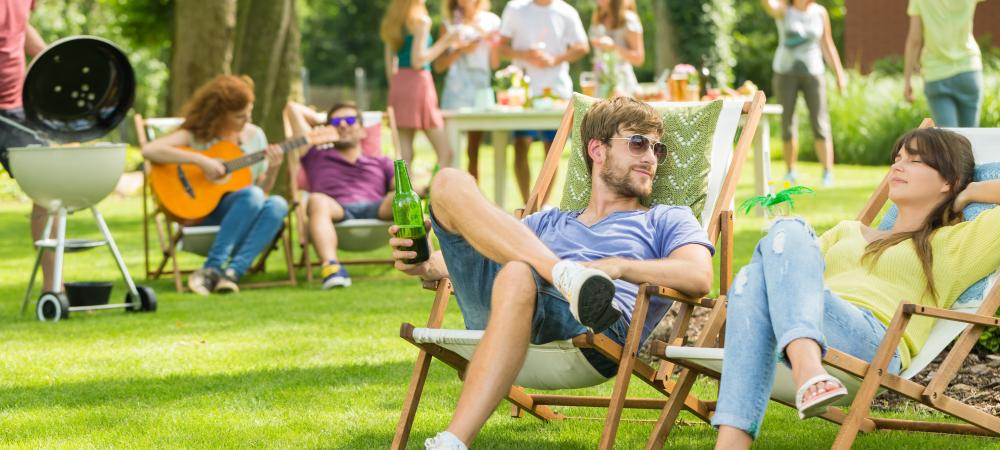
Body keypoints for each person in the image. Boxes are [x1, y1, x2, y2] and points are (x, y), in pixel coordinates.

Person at [392, 96, 715, 450]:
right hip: (507, 306)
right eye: (638, 143)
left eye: (658, 148)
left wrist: (618, 266)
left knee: (517, 271)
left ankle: (452, 442)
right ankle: (565, 274)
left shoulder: (665, 217)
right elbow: (469, 258)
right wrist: (426, 266)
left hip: (595, 326)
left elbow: (698, 274)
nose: (651, 157)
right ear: (598, 150)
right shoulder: (549, 220)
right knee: (449, 181)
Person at [712, 127, 1000, 449]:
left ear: (947, 181)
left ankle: (806, 371)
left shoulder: (952, 245)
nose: (897, 167)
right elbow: (781, 275)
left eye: (915, 161)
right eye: (897, 158)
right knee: (769, 255)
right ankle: (804, 376)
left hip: (874, 339)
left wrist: (971, 192)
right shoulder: (847, 231)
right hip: (811, 319)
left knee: (779, 241)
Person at [142, 75, 289, 295]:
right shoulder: (197, 136)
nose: (247, 119)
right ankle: (214, 266)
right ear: (219, 115)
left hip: (244, 210)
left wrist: (274, 168)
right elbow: (150, 150)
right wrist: (201, 160)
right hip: (202, 213)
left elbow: (262, 190)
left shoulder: (256, 136)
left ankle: (229, 274)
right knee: (251, 195)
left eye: (250, 111)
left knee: (277, 204)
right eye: (240, 116)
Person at [284, 101, 396, 289]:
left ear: (363, 130)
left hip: (377, 207)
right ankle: (332, 269)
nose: (343, 125)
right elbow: (292, 109)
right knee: (316, 199)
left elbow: (400, 189)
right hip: (335, 208)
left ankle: (424, 262)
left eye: (350, 120)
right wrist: (321, 127)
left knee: (404, 196)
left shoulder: (381, 161)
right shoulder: (314, 154)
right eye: (336, 122)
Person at [498, 0, 589, 203]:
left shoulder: (566, 11)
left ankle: (540, 206)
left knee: (552, 151)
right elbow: (501, 47)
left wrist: (555, 59)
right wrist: (523, 54)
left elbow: (582, 46)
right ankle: (526, 206)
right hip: (522, 92)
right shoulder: (515, 8)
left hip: (556, 91)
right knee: (521, 145)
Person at [0, 1, 55, 292]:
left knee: (47, 189)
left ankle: (53, 288)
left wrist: (52, 60)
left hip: (15, 111)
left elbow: (18, 27)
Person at [762, 0, 846, 187]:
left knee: (820, 122)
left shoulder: (820, 12)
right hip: (785, 73)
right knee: (788, 123)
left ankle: (827, 173)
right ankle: (790, 172)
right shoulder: (784, 10)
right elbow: (769, 6)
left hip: (814, 73)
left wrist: (839, 75)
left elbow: (827, 44)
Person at [381, 0, 457, 168]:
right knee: (446, 152)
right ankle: (435, 191)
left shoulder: (393, 23)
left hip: (398, 84)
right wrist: (445, 41)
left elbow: (389, 66)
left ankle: (406, 194)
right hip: (418, 83)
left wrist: (397, 88)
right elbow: (418, 60)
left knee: (405, 155)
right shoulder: (421, 21)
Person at [433, 0, 501, 181]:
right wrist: (462, 49)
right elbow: (439, 65)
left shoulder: (491, 21)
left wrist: (492, 42)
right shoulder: (448, 24)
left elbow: (494, 63)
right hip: (456, 91)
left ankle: (472, 200)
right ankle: (446, 198)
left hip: (480, 91)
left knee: (474, 151)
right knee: (450, 151)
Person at [903, 0, 985, 128]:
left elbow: (915, 40)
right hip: (969, 69)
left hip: (936, 74)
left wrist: (907, 80)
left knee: (948, 140)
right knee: (971, 139)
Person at [588, 0, 645, 97]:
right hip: (601, 85)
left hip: (622, 85)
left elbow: (639, 58)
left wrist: (613, 47)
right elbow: (598, 58)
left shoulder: (628, 20)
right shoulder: (598, 19)